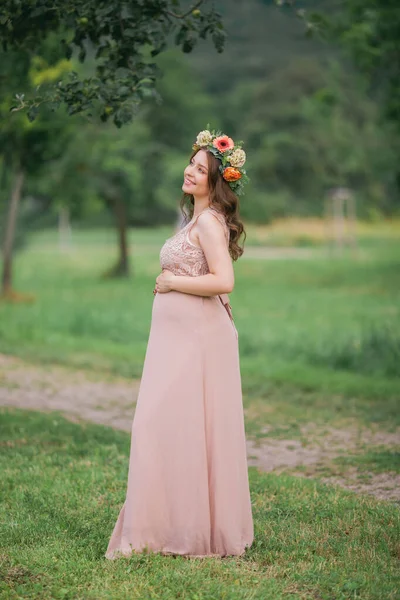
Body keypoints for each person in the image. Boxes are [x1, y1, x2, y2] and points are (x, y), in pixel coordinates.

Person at [105, 128, 254, 559]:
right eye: (191, 163)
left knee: (164, 426)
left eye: (201, 169)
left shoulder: (208, 222)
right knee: (171, 429)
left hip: (197, 344)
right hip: (178, 342)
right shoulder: (194, 218)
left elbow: (225, 280)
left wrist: (173, 281)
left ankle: (180, 532)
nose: (190, 171)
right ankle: (165, 527)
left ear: (216, 181)